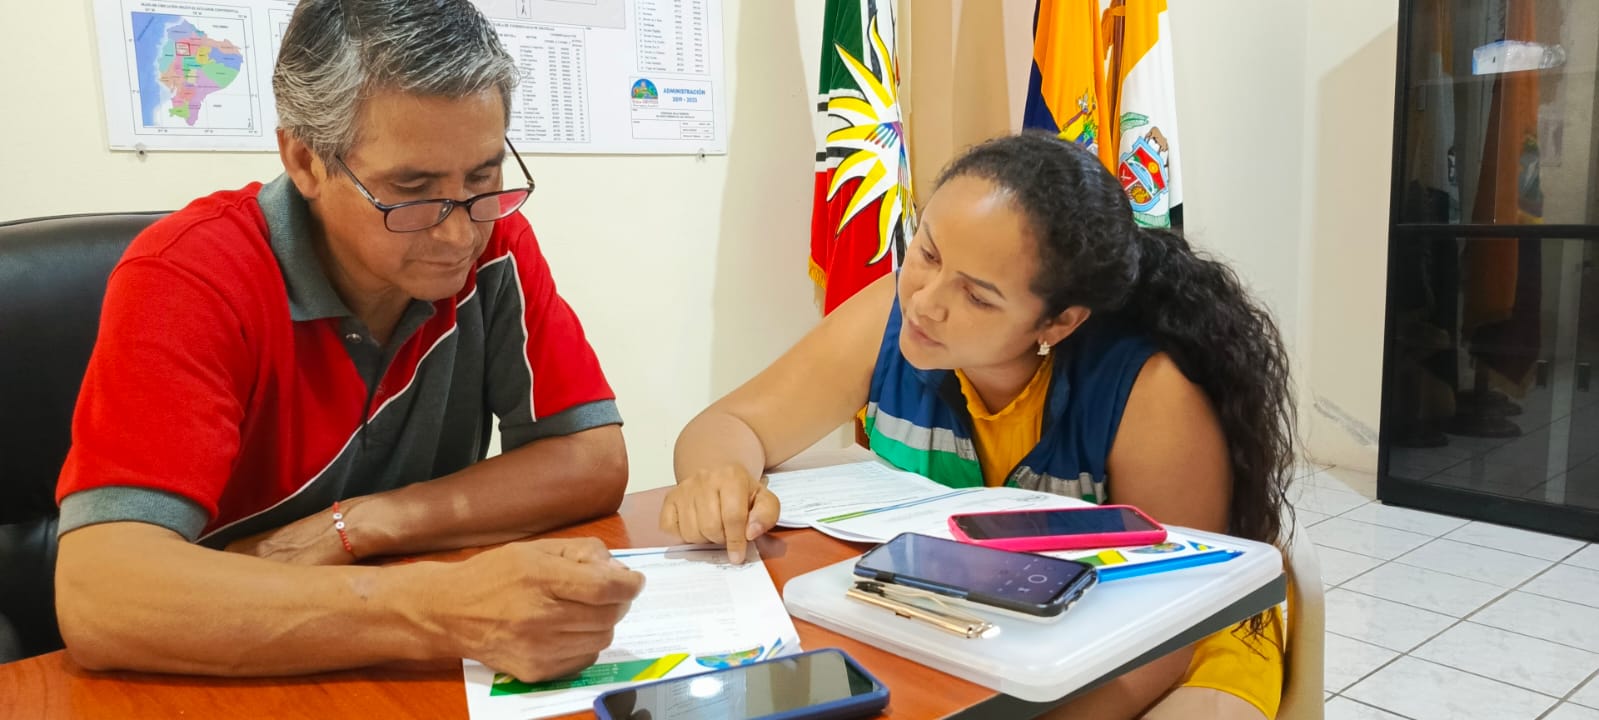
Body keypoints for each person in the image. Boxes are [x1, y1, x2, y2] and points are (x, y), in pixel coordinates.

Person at [53, 0, 642, 682]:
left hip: (388, 668)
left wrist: (363, 523)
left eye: (483, 176)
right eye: (411, 189)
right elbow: (101, 596)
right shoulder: (190, 275)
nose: (458, 233)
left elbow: (591, 460)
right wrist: (440, 609)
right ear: (305, 160)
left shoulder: (495, 242)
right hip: (216, 668)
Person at [662, 133, 1295, 719]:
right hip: (975, 626)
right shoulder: (891, 320)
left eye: (977, 296)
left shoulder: (1145, 391)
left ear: (1058, 323)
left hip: (1165, 651)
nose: (925, 300)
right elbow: (731, 423)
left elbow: (1175, 624)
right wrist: (719, 479)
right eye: (927, 252)